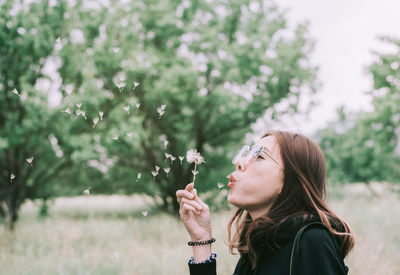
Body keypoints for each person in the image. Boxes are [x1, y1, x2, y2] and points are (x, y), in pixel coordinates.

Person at [176, 130, 355, 275]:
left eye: (259, 156)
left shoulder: (312, 240)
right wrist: (201, 240)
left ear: (291, 180)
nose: (239, 163)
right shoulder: (259, 245)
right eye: (245, 154)